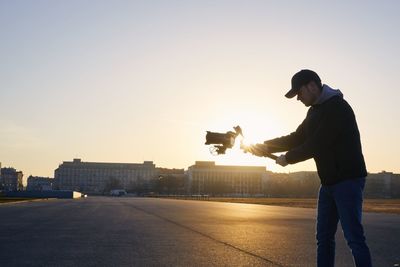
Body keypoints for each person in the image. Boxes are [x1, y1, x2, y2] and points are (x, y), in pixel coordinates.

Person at [245, 69, 372, 267]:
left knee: (354, 238)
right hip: (328, 183)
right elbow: (296, 138)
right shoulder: (314, 111)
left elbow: (317, 143)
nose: (298, 98)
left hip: (348, 181)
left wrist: (288, 158)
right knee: (323, 238)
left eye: (299, 93)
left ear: (312, 86)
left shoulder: (337, 107)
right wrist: (261, 146)